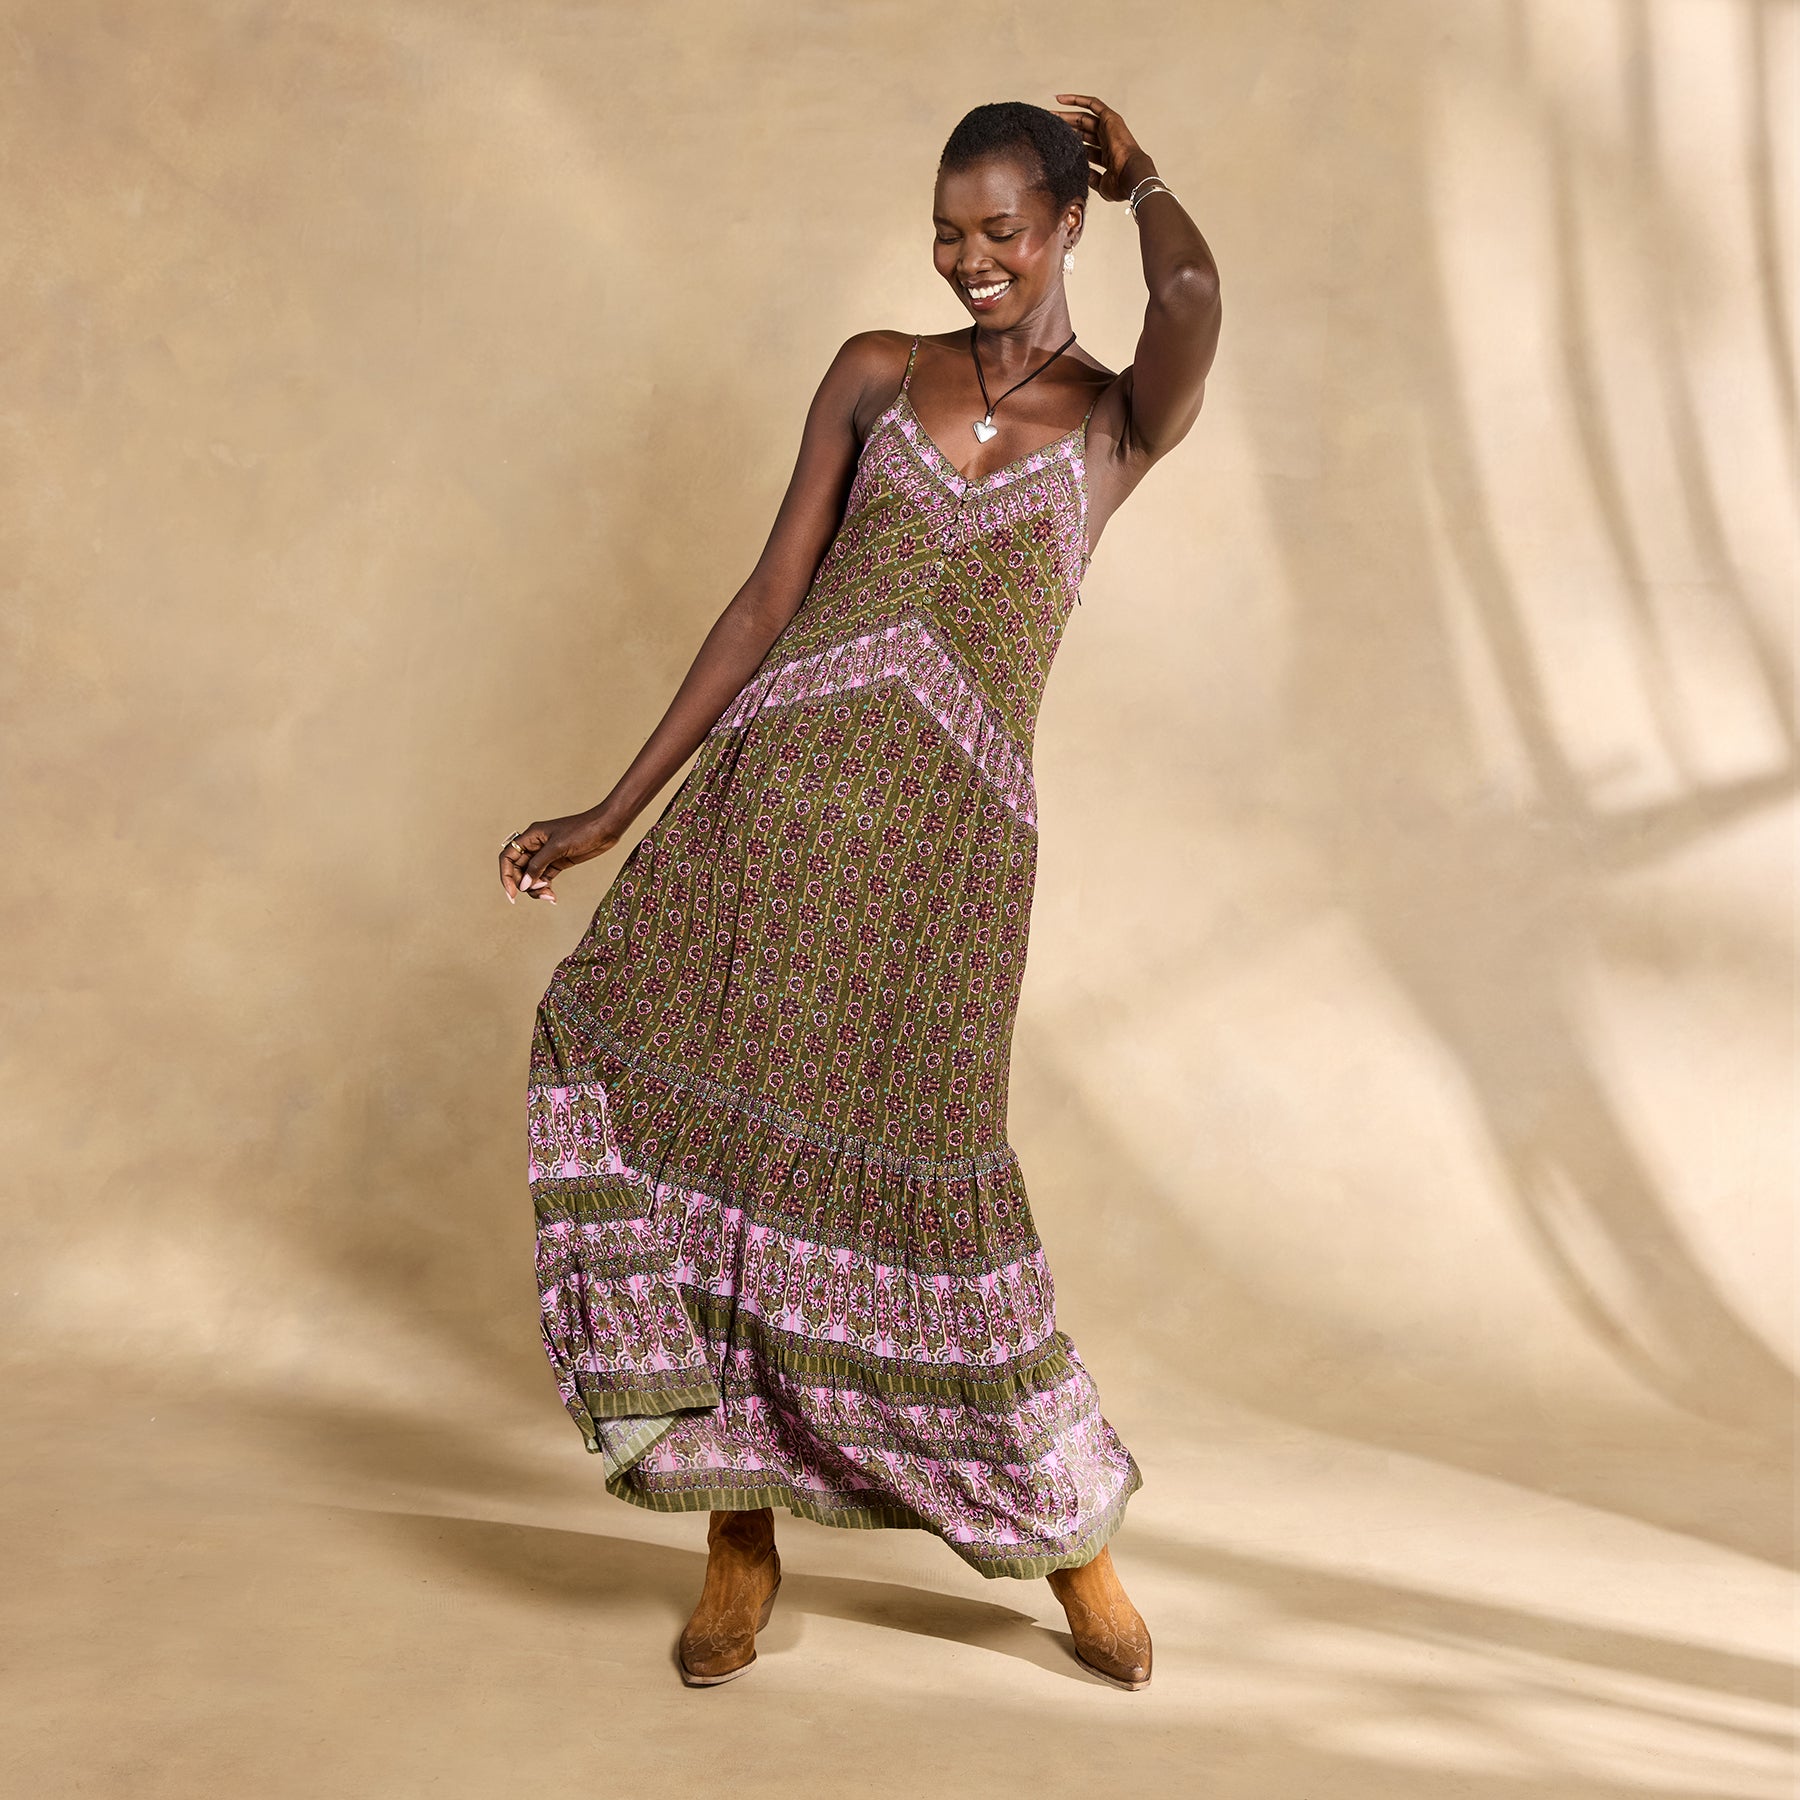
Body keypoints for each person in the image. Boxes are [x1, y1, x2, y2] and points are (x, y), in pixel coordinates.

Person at [498, 95, 1221, 1691]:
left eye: (1003, 230)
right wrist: (614, 810)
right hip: (767, 820)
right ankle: (737, 1539)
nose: (971, 260)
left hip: (947, 865)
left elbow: (1187, 298)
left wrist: (1148, 168)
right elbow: (769, 598)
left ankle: (1066, 1540)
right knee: (721, 1161)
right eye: (948, 233)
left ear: (1067, 223)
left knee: (937, 1188)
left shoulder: (1116, 424)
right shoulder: (877, 373)